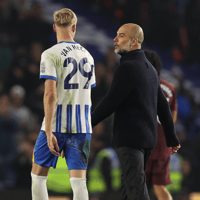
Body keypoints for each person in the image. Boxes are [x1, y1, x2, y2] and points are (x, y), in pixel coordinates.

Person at [91, 23, 181, 200]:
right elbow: (162, 106)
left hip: (130, 138)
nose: (115, 39)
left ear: (133, 41)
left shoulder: (127, 67)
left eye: (121, 35)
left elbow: (110, 102)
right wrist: (171, 137)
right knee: (128, 186)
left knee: (136, 187)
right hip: (147, 139)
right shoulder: (149, 69)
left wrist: (86, 124)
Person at [31, 8, 96, 200]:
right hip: (82, 126)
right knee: (79, 182)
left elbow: (51, 94)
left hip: (57, 123)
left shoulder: (50, 54)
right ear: (74, 27)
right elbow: (88, 91)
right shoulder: (88, 56)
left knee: (38, 177)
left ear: (54, 27)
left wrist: (49, 130)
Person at [144, 49, 177, 200]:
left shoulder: (140, 87)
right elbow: (173, 119)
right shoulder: (170, 88)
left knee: (137, 185)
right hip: (163, 146)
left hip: (145, 144)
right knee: (159, 186)